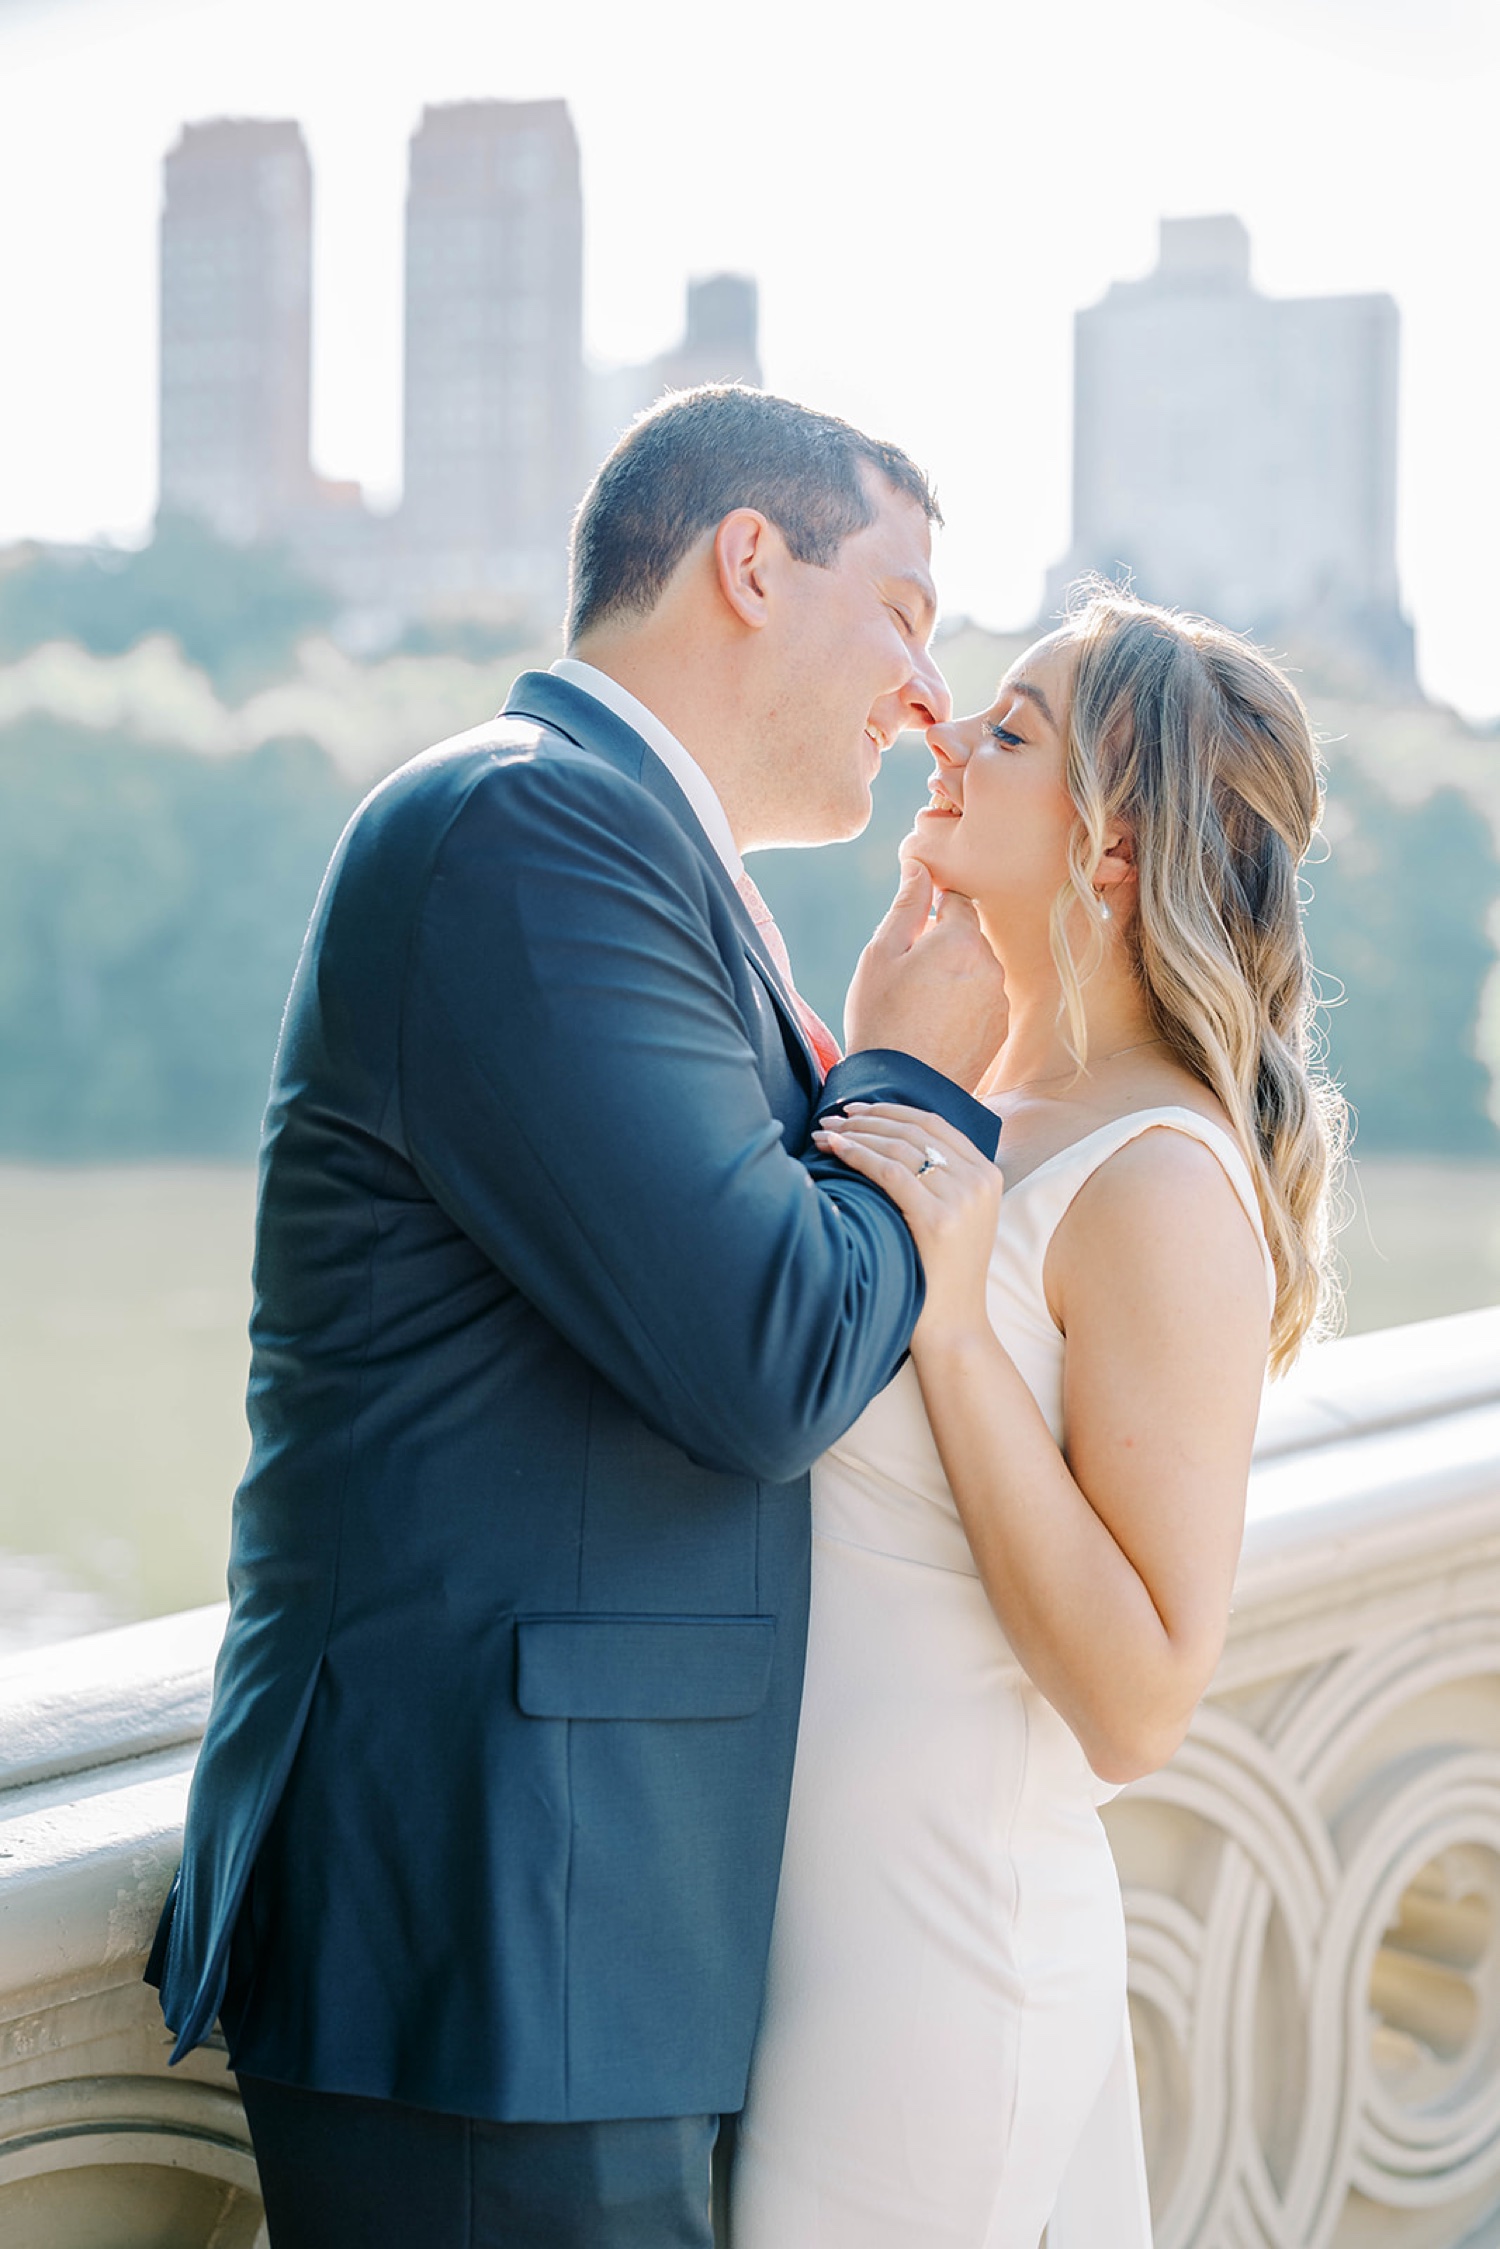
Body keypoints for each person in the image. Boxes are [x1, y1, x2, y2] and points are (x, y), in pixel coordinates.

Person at [144, 386, 1011, 2249]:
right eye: (911, 609)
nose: (931, 687)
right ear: (752, 564)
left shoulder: (648, 859)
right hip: (499, 1926)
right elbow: (766, 1350)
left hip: (600, 1917)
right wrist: (919, 1091)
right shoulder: (526, 830)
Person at [730, 588, 1344, 2248]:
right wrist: (871, 1067)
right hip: (799, 1919)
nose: (945, 735)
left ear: (1116, 846)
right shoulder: (981, 1102)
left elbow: (1142, 1700)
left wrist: (951, 1324)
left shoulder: (1159, 1175)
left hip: (938, 1961)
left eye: (1010, 731)